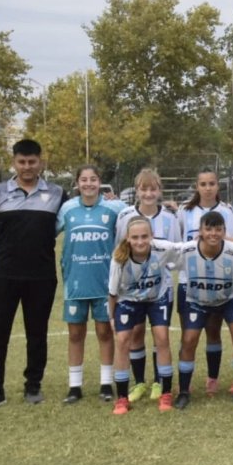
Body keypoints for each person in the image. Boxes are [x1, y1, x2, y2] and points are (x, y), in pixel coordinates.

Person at [0, 139, 68, 410]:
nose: (27, 167)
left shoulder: (57, 194)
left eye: (32, 162)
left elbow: (77, 215)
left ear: (41, 162)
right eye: (22, 162)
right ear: (14, 162)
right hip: (3, 276)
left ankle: (33, 386)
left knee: (37, 334)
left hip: (41, 277)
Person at [154, 211, 233, 408]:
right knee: (189, 340)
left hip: (231, 298)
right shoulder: (187, 250)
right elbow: (166, 249)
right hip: (196, 300)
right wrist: (145, 242)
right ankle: (183, 391)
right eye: (208, 229)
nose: (213, 234)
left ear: (224, 231)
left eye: (218, 229)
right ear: (200, 231)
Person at [57, 165, 124, 404]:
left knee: (105, 332)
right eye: (83, 180)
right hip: (75, 281)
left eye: (93, 179)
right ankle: (75, 386)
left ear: (99, 181)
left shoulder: (114, 207)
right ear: (77, 183)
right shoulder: (67, 208)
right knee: (76, 334)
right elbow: (48, 233)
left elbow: (138, 220)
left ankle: (106, 383)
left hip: (104, 283)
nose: (88, 184)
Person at [114, 169, 181, 403]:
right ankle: (140, 382)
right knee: (135, 334)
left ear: (159, 190)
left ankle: (158, 383)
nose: (149, 193)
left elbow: (175, 253)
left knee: (160, 335)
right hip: (131, 291)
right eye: (144, 188)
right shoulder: (124, 216)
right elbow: (120, 250)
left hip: (159, 289)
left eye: (153, 188)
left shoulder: (170, 218)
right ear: (137, 191)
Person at [176, 168, 233, 397]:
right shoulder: (185, 211)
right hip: (189, 281)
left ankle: (212, 379)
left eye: (212, 183)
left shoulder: (227, 211)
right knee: (189, 335)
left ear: (218, 186)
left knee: (213, 332)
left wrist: (213, 237)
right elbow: (179, 243)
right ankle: (186, 383)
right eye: (203, 184)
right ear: (197, 186)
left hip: (218, 281)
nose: (208, 187)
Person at [108, 216, 179, 414]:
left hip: (158, 297)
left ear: (152, 236)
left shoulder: (162, 249)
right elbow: (112, 293)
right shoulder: (119, 259)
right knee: (122, 340)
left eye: (144, 236)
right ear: (128, 238)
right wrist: (112, 318)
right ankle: (122, 398)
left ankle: (165, 393)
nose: (140, 241)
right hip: (129, 300)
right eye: (135, 237)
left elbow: (186, 248)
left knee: (162, 337)